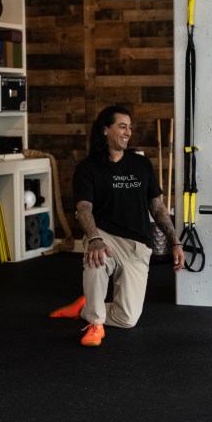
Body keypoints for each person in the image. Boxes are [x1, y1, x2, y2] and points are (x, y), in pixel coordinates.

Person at [49, 106, 184, 346]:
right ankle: (95, 324)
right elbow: (84, 208)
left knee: (127, 319)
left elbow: (157, 207)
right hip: (106, 235)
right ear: (105, 129)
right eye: (122, 126)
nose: (128, 132)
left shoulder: (141, 165)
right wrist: (94, 239)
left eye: (130, 127)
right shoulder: (88, 168)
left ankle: (86, 307)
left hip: (137, 244)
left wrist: (175, 241)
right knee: (97, 257)